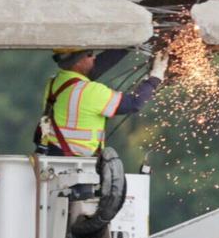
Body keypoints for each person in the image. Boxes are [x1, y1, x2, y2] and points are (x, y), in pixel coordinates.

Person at [35, 48, 169, 157]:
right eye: (90, 54)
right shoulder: (89, 91)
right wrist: (155, 77)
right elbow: (134, 103)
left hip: (53, 153)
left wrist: (125, 47)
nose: (94, 58)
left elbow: (94, 69)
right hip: (74, 162)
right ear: (78, 62)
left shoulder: (56, 81)